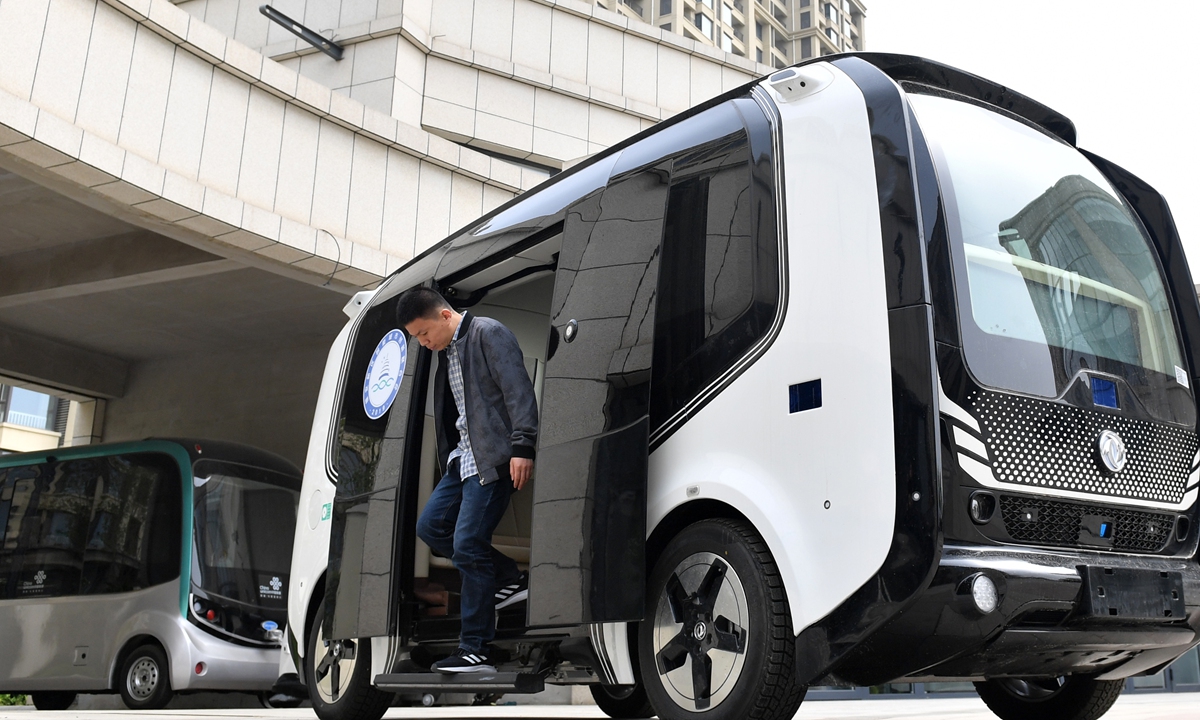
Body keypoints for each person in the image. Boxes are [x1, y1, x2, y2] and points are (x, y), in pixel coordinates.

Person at [397, 287, 538, 674]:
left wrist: (523, 446)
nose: (424, 344)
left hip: (492, 459)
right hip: (463, 461)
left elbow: (518, 391)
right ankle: (509, 577)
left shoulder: (488, 333)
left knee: (468, 543)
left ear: (444, 316)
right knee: (431, 527)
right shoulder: (447, 354)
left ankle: (475, 647)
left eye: (424, 334)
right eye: (417, 339)